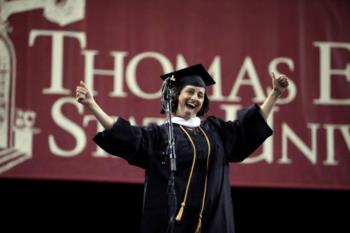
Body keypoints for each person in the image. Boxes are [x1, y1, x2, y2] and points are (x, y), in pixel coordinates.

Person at [75, 64, 289, 233]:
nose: (195, 98)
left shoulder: (216, 131)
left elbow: (248, 129)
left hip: (214, 223)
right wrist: (92, 106)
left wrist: (275, 94)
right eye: (190, 92)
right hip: (172, 223)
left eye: (200, 94)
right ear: (176, 94)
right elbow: (127, 136)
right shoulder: (160, 136)